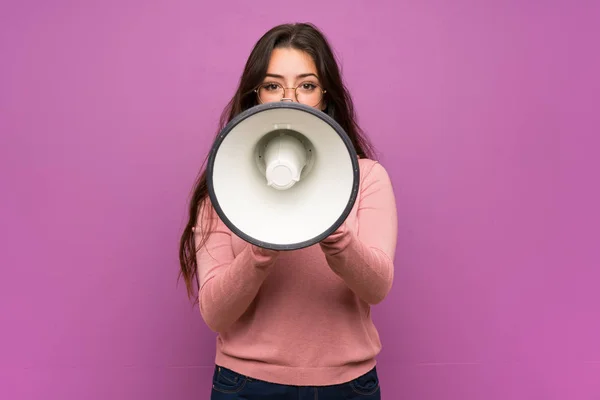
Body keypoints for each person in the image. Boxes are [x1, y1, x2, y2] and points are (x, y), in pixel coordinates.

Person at [179, 22, 398, 399]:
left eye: (307, 85)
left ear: (325, 95)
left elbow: (377, 288)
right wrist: (261, 250)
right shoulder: (222, 189)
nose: (290, 99)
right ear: (256, 96)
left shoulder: (367, 178)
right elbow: (215, 313)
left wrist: (337, 235)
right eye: (273, 85)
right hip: (246, 386)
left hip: (347, 387)